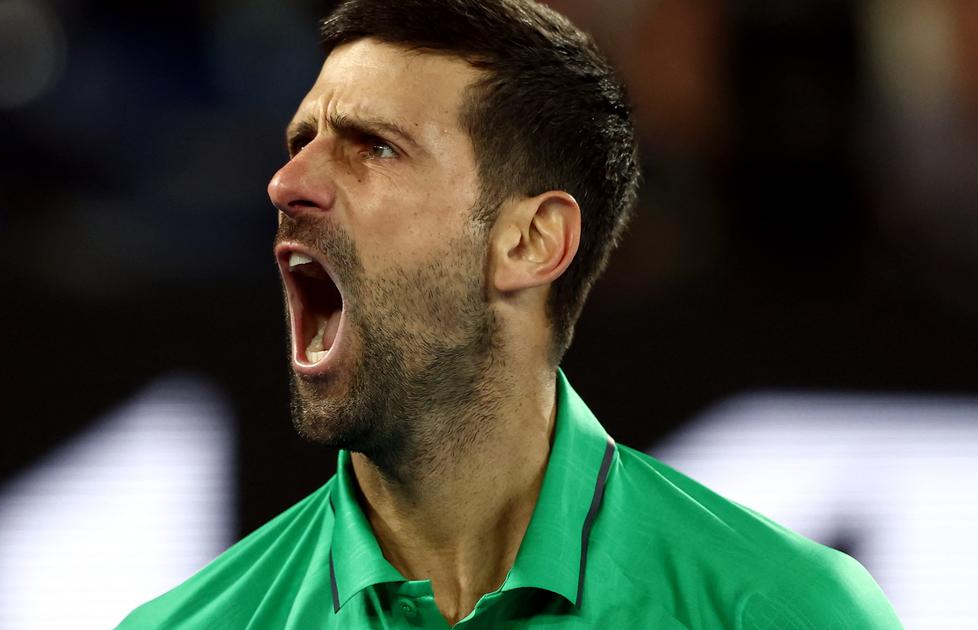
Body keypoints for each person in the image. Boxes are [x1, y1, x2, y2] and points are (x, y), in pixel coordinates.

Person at [119, 0, 902, 627]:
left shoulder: (782, 610)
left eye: (374, 147)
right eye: (303, 139)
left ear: (531, 241)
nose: (287, 183)